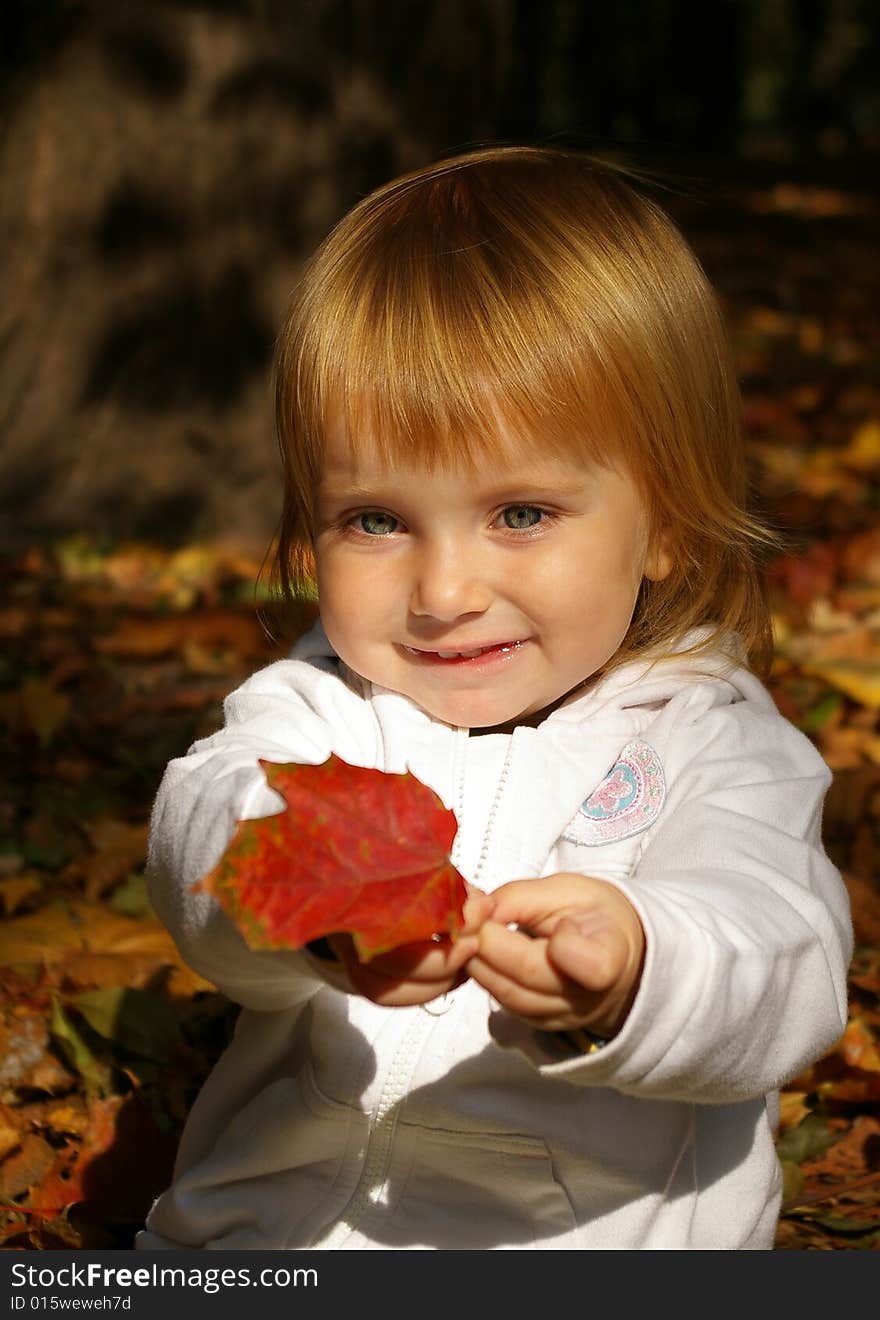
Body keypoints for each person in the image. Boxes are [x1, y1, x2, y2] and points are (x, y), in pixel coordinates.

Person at [137, 146, 852, 1252]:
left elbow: (782, 966)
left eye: (519, 513)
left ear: (662, 521)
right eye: (374, 519)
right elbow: (201, 831)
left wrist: (636, 965)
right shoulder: (322, 707)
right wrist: (310, 893)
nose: (443, 593)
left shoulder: (715, 744)